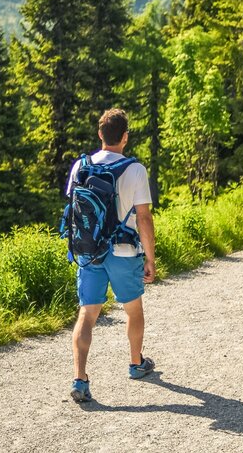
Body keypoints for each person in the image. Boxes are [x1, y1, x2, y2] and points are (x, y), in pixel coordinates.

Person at [67, 109, 157, 403]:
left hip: (89, 252)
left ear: (100, 135)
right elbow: (144, 217)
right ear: (125, 137)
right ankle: (135, 364)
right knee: (133, 310)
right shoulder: (135, 170)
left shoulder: (80, 167)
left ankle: (80, 379)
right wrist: (150, 258)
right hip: (124, 251)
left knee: (87, 314)